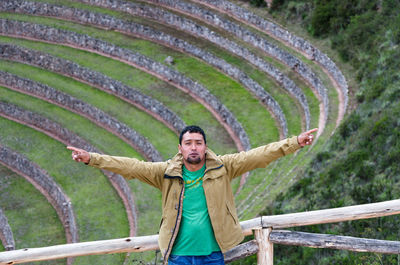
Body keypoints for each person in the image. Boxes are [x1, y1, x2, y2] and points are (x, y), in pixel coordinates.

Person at [67, 125, 317, 264]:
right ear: (180, 148)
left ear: (205, 146)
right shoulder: (165, 172)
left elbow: (258, 155)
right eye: (189, 143)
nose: (194, 147)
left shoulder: (224, 167)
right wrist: (92, 159)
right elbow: (131, 166)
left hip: (212, 255)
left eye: (198, 142)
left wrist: (294, 142)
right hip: (178, 257)